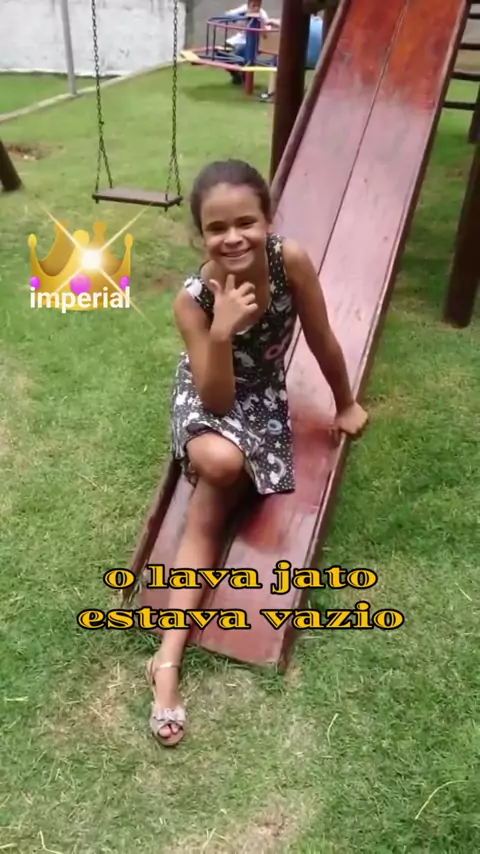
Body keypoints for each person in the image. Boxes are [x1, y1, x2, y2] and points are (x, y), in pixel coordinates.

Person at [145, 158, 369, 747]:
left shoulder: (289, 261)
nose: (233, 237)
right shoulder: (192, 301)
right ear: (200, 234)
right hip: (208, 396)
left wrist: (345, 403)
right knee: (220, 464)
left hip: (263, 398)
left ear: (268, 220)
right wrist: (222, 330)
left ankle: (166, 662)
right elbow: (217, 398)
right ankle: (168, 663)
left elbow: (320, 336)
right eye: (216, 228)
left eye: (246, 222)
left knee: (213, 499)